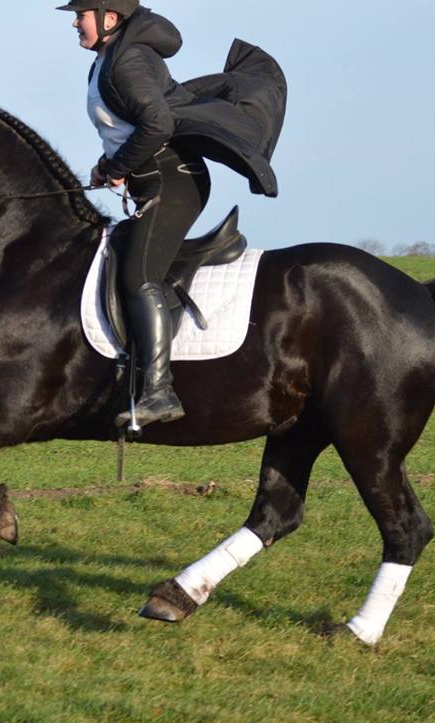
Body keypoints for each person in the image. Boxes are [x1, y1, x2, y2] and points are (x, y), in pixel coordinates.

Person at [58, 0, 287, 428]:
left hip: (172, 183)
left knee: (137, 277)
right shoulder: (107, 60)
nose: (74, 21)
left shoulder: (125, 62)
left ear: (109, 18)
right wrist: (109, 163)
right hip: (159, 177)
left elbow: (158, 125)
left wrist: (117, 167)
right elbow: (131, 127)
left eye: (80, 14)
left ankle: (159, 392)